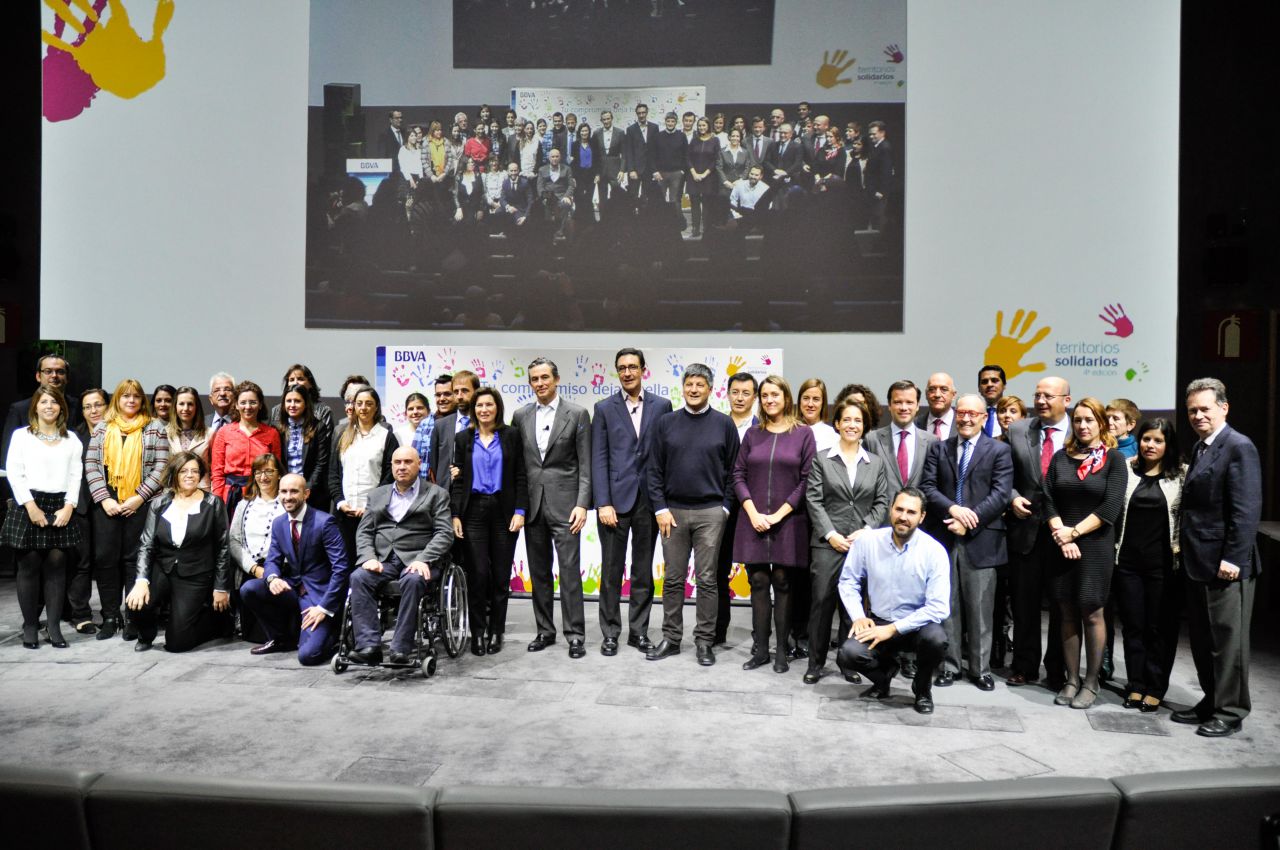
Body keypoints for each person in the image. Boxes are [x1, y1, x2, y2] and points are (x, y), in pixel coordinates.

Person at [1173, 378, 1262, 738]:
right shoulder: (1201, 447)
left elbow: (1246, 510)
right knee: (1203, 640)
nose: (1198, 416)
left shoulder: (1239, 446)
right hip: (1198, 561)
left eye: (1205, 409)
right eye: (1192, 410)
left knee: (1227, 643)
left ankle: (1231, 710)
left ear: (1224, 408)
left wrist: (1233, 559)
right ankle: (1211, 701)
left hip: (1226, 565)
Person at [645, 364, 740, 666]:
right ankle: (671, 639)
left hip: (711, 512)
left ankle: (704, 641)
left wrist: (725, 508)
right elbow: (654, 470)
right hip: (672, 513)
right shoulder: (666, 423)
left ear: (710, 389)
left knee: (708, 580)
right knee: (673, 579)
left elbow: (734, 471)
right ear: (682, 388)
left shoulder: (724, 424)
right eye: (689, 384)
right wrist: (660, 508)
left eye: (700, 385)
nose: (694, 390)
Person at [921, 394, 1014, 691]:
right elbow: (928, 488)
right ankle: (949, 666)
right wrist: (954, 510)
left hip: (981, 539)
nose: (966, 418)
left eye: (973, 413)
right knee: (947, 607)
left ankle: (980, 669)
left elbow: (1001, 494)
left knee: (980, 610)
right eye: (961, 413)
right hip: (944, 537)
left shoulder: (999, 450)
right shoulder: (939, 448)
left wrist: (969, 519)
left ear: (984, 418)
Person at [1042, 397, 1128, 709]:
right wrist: (1062, 535)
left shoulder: (1113, 459)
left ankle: (1091, 681)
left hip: (1095, 546)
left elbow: (1111, 506)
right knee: (1066, 611)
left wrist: (1074, 533)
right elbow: (1047, 498)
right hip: (1061, 545)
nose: (1082, 425)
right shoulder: (1061, 458)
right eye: (1078, 420)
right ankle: (1071, 679)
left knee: (1092, 612)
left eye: (1089, 419)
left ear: (1101, 423)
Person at [836, 488, 950, 715]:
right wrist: (858, 616)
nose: (903, 517)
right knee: (847, 653)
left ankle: (922, 688)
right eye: (899, 509)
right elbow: (848, 581)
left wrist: (893, 629)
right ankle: (884, 677)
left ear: (922, 517)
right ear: (891, 510)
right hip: (879, 620)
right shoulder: (868, 541)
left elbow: (938, 607)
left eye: (911, 512)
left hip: (917, 625)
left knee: (936, 639)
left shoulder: (934, 551)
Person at [803, 398, 890, 684]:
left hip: (861, 546)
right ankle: (815, 663)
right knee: (821, 604)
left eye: (858, 421)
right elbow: (814, 500)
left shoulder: (875, 463)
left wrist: (866, 530)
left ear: (864, 426)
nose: (852, 425)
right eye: (847, 420)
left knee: (852, 607)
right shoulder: (822, 459)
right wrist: (831, 534)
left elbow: (882, 501)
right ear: (837, 424)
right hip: (827, 544)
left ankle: (847, 662)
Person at [591, 348, 672, 655]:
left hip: (649, 501)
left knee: (642, 572)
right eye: (622, 368)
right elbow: (598, 458)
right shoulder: (603, 408)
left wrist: (663, 501)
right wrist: (603, 502)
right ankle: (610, 633)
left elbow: (664, 455)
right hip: (614, 502)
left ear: (643, 370)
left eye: (633, 367)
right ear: (617, 371)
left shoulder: (662, 406)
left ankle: (638, 632)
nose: (627, 372)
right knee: (611, 571)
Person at [734, 376, 816, 673]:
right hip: (753, 520)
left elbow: (807, 479)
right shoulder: (752, 434)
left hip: (788, 522)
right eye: (765, 395)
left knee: (783, 582)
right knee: (757, 582)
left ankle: (782, 649)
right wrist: (752, 511)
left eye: (775, 395)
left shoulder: (803, 433)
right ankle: (760, 650)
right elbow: (738, 474)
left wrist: (779, 514)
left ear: (786, 398)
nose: (769, 400)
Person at [513, 358, 592, 658]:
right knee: (539, 573)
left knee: (570, 572)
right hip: (533, 506)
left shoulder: (578, 413)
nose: (540, 383)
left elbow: (585, 465)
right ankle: (545, 631)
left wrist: (582, 504)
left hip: (567, 506)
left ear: (556, 379)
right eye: (535, 379)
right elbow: (519, 466)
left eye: (545, 377)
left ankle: (575, 635)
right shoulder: (520, 416)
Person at [347, 447, 454, 666]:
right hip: (384, 560)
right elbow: (364, 531)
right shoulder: (377, 495)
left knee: (413, 580)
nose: (402, 467)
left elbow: (444, 533)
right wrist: (368, 557)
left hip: (419, 559)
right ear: (392, 465)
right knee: (359, 577)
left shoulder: (436, 494)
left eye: (407, 462)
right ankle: (368, 646)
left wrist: (424, 558)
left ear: (419, 464)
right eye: (397, 462)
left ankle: (400, 648)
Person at [85, 378, 171, 641]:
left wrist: (139, 497)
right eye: (125, 396)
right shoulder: (102, 428)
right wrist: (104, 499)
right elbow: (91, 465)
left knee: (134, 559)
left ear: (142, 400)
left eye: (136, 396)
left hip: (140, 501)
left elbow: (161, 467)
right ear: (117, 399)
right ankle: (111, 617)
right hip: (108, 501)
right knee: (105, 559)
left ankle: (134, 616)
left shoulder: (154, 427)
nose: (131, 400)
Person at [239, 473, 353, 665]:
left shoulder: (324, 522)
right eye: (283, 492)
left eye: (294, 491)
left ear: (306, 494)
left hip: (318, 596)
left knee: (308, 656)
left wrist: (324, 608)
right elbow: (272, 560)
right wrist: (272, 578)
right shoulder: (279, 523)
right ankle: (281, 638)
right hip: (292, 589)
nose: (288, 497)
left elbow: (341, 569)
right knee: (249, 589)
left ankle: (334, 634)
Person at [125, 451, 232, 653]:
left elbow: (223, 548)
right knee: (136, 599)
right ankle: (146, 635)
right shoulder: (159, 503)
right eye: (184, 471)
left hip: (196, 573)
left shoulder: (213, 504)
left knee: (177, 644)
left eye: (195, 471)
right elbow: (146, 544)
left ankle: (217, 623)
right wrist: (141, 581)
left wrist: (221, 587)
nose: (190, 475)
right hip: (163, 567)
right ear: (174, 473)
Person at [1, 388, 83, 649]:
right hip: (29, 502)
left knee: (57, 565)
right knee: (29, 564)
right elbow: (15, 473)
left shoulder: (72, 439)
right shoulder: (21, 436)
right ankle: (30, 625)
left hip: (60, 505)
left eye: (54, 402)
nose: (49, 406)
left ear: (61, 408)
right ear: (35, 406)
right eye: (44, 401)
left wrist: (69, 506)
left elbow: (75, 476)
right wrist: (31, 507)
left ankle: (54, 625)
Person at [1004, 376, 1072, 689]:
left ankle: (1057, 669)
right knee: (1024, 604)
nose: (1041, 401)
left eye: (1048, 396)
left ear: (1066, 400)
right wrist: (1012, 497)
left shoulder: (1080, 430)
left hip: (1065, 533)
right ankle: (1024, 665)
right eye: (1037, 395)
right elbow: (1003, 474)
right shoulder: (1018, 430)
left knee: (1061, 605)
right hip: (1025, 529)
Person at [1114, 418, 1184, 714]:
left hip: (1164, 567)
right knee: (1133, 627)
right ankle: (1136, 683)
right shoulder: (1126, 469)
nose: (1150, 445)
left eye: (1158, 440)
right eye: (1146, 439)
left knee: (1160, 629)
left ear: (1168, 445)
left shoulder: (1181, 475)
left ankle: (1155, 687)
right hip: (1128, 564)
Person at [451, 387, 528, 656]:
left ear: (497, 408)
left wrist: (520, 510)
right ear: (473, 409)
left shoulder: (511, 435)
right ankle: (478, 632)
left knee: (500, 576)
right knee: (478, 574)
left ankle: (497, 631)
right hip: (473, 511)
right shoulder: (463, 438)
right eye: (479, 405)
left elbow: (520, 475)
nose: (484, 410)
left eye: (489, 405)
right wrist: (455, 514)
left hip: (504, 511)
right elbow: (458, 480)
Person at [328, 385, 398, 560]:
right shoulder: (343, 435)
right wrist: (340, 502)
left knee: (369, 561)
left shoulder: (386, 436)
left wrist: (370, 505)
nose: (363, 408)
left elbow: (390, 477)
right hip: (344, 512)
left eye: (369, 403)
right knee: (344, 562)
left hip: (374, 514)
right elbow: (333, 474)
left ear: (376, 407)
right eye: (359, 403)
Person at [715, 371, 758, 644]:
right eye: (735, 392)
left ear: (755, 397)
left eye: (746, 393)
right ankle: (717, 632)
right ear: (727, 394)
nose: (740, 398)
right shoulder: (716, 425)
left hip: (753, 512)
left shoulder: (764, 428)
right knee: (718, 573)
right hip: (722, 510)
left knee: (757, 576)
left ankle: (760, 638)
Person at [227, 452, 285, 642]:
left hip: (280, 570)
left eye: (269, 471)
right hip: (248, 569)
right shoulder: (244, 504)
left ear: (279, 474)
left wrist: (270, 570)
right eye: (258, 472)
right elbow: (234, 540)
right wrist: (253, 568)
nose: (263, 477)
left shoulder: (287, 503)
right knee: (251, 635)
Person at [68, 388, 108, 635]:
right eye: (87, 407)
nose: (93, 411)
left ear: (107, 406)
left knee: (106, 561)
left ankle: (110, 613)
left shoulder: (117, 432)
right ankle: (81, 614)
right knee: (81, 563)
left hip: (108, 506)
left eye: (98, 405)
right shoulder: (74, 437)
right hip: (81, 505)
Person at [210, 381, 282, 516]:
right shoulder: (224, 432)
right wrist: (218, 501)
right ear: (236, 405)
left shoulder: (272, 433)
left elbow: (276, 470)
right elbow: (217, 471)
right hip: (230, 495)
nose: (248, 407)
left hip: (261, 493)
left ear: (260, 405)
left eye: (253, 402)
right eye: (243, 402)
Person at [2, 354, 81, 462]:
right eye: (48, 371)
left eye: (60, 372)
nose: (54, 375)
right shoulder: (20, 410)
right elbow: (8, 454)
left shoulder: (79, 407)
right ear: (38, 376)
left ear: (67, 378)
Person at [868, 380, 937, 492]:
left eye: (909, 402)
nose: (904, 407)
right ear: (889, 405)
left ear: (917, 405)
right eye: (898, 402)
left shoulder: (932, 441)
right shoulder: (872, 440)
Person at [275, 382, 333, 510]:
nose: (292, 405)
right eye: (288, 401)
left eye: (297, 401)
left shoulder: (318, 427)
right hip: (285, 493)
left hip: (313, 494)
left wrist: (306, 489)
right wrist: (286, 489)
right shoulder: (277, 428)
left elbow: (321, 463)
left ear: (306, 403)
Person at [428, 369, 479, 492]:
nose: (459, 396)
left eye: (465, 391)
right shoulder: (440, 425)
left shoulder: (485, 423)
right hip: (446, 492)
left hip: (477, 490)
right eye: (456, 392)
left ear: (476, 392)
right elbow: (434, 464)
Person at [166, 386, 214, 489]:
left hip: (202, 491)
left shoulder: (210, 433)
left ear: (197, 407)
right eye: (181, 404)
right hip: (175, 491)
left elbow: (215, 468)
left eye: (190, 404)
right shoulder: (165, 433)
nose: (185, 408)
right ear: (175, 406)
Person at [268, 364, 335, 430]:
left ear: (310, 384)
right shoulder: (276, 410)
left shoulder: (323, 410)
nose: (295, 383)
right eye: (291, 380)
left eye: (300, 379)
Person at [686, 116, 720, 238]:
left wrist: (705, 174)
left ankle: (706, 228)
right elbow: (688, 158)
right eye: (699, 125)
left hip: (709, 177)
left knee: (707, 204)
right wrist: (694, 173)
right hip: (694, 177)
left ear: (708, 126)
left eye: (704, 125)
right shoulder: (694, 140)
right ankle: (695, 229)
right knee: (694, 203)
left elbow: (716, 159)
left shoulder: (715, 140)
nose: (701, 127)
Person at [653, 111, 688, 220]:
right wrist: (655, 171)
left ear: (676, 122)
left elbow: (686, 154)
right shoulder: (658, 136)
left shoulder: (681, 136)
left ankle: (676, 223)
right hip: (661, 173)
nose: (670, 123)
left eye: (672, 121)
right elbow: (653, 155)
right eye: (668, 121)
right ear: (665, 122)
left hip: (676, 173)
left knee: (675, 200)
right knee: (659, 199)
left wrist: (682, 170)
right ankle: (660, 223)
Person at [623, 103, 659, 206]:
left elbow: (656, 150)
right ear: (636, 114)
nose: (641, 115)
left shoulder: (654, 127)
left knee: (647, 197)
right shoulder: (630, 129)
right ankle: (633, 216)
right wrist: (631, 170)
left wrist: (655, 169)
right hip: (635, 169)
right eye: (639, 113)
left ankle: (645, 216)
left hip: (649, 169)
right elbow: (629, 151)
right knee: (632, 196)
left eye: (643, 112)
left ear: (647, 113)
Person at [714, 128, 751, 227]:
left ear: (740, 138)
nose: (735, 138)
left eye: (737, 136)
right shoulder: (722, 151)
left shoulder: (745, 152)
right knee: (723, 205)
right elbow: (718, 167)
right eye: (733, 136)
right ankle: (723, 226)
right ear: (729, 137)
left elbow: (747, 167)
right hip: (725, 185)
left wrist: (740, 180)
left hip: (740, 184)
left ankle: (738, 227)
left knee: (739, 207)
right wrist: (725, 181)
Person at [591, 110, 625, 216]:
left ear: (612, 119)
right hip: (601, 170)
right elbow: (594, 155)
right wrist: (596, 173)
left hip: (615, 170)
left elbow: (624, 153)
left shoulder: (620, 132)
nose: (606, 121)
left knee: (617, 195)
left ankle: (617, 220)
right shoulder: (596, 133)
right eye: (604, 119)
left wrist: (622, 170)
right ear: (601, 120)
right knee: (602, 197)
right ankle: (603, 221)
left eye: (608, 119)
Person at [537, 147, 576, 238]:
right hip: (548, 196)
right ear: (549, 158)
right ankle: (547, 232)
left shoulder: (567, 169)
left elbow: (571, 185)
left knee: (566, 205)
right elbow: (540, 187)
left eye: (557, 156)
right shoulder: (542, 170)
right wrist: (543, 197)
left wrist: (567, 196)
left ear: (560, 157)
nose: (555, 158)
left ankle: (561, 230)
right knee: (543, 207)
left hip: (562, 196)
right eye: (553, 157)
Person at [865, 120, 894, 231]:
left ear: (882, 133)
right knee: (875, 218)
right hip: (874, 191)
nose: (871, 136)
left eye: (874, 134)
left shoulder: (885, 148)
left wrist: (881, 191)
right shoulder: (876, 146)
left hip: (879, 192)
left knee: (879, 219)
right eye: (870, 134)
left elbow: (886, 171)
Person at [797, 378, 837, 453]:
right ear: (800, 401)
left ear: (823, 403)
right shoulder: (789, 431)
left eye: (816, 399)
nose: (810, 404)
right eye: (806, 398)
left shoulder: (832, 436)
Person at [568, 122, 597, 223]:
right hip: (579, 175)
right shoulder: (575, 144)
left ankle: (590, 222)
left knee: (589, 198)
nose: (584, 133)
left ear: (589, 132)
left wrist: (597, 174)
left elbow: (598, 160)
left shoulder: (594, 143)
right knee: (579, 198)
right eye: (582, 131)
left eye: (586, 131)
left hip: (591, 175)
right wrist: (573, 177)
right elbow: (573, 162)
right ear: (579, 132)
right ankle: (579, 222)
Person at [918, 372, 957, 439]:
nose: (937, 395)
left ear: (953, 395)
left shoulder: (964, 424)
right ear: (926, 394)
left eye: (944, 389)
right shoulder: (915, 424)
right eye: (932, 389)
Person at [454, 156, 488, 225]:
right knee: (457, 221)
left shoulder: (478, 176)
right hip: (462, 208)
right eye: (468, 163)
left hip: (475, 208)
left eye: (472, 162)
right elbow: (455, 195)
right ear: (464, 164)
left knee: (473, 222)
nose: (471, 164)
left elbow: (482, 194)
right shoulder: (459, 176)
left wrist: (480, 209)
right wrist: (458, 208)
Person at [977, 365, 1006, 438]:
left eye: (994, 380)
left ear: (1004, 385)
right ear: (979, 388)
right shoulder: (971, 415)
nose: (989, 384)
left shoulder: (1012, 415)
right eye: (984, 382)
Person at [398, 123, 425, 192]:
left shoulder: (418, 150)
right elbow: (403, 167)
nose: (414, 137)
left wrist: (421, 179)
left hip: (417, 177)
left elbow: (419, 165)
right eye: (412, 136)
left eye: (415, 136)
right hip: (407, 178)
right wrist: (410, 179)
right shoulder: (403, 149)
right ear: (407, 137)